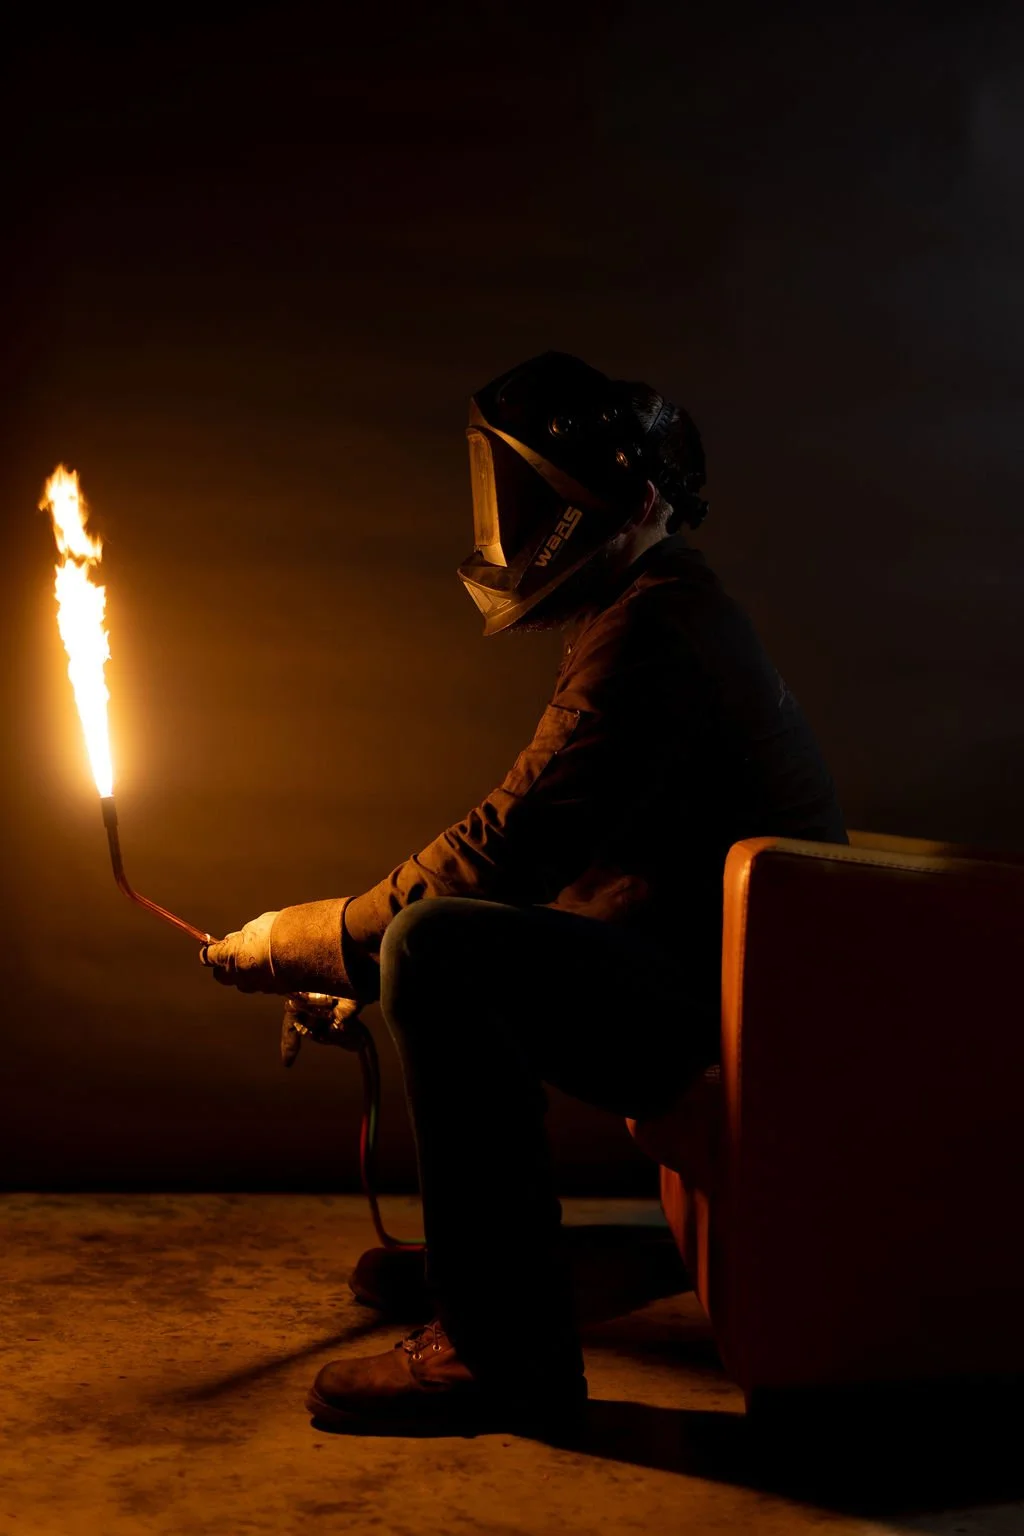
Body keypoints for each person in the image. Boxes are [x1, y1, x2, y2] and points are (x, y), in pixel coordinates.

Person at [204, 351, 847, 1435]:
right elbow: (576, 865)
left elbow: (505, 845)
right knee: (437, 948)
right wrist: (363, 971)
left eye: (538, 501)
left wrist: (306, 942)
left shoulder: (654, 631)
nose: (515, 530)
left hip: (735, 1007)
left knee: (440, 948)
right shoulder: (649, 608)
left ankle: (502, 1350)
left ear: (639, 500)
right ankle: (494, 1267)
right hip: (718, 974)